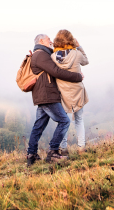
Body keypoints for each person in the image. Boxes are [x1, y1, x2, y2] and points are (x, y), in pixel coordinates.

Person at [26, 34, 83, 166]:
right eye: (48, 39)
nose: (50, 41)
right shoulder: (40, 55)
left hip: (43, 95)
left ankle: (31, 155)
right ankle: (53, 152)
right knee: (64, 121)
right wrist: (77, 77)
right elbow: (56, 71)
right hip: (47, 95)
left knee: (38, 126)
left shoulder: (42, 54)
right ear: (41, 41)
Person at [51, 29, 89, 155]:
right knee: (79, 120)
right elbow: (86, 61)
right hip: (77, 92)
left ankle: (63, 148)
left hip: (62, 93)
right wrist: (79, 46)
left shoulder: (53, 57)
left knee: (64, 121)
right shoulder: (77, 54)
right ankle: (81, 148)